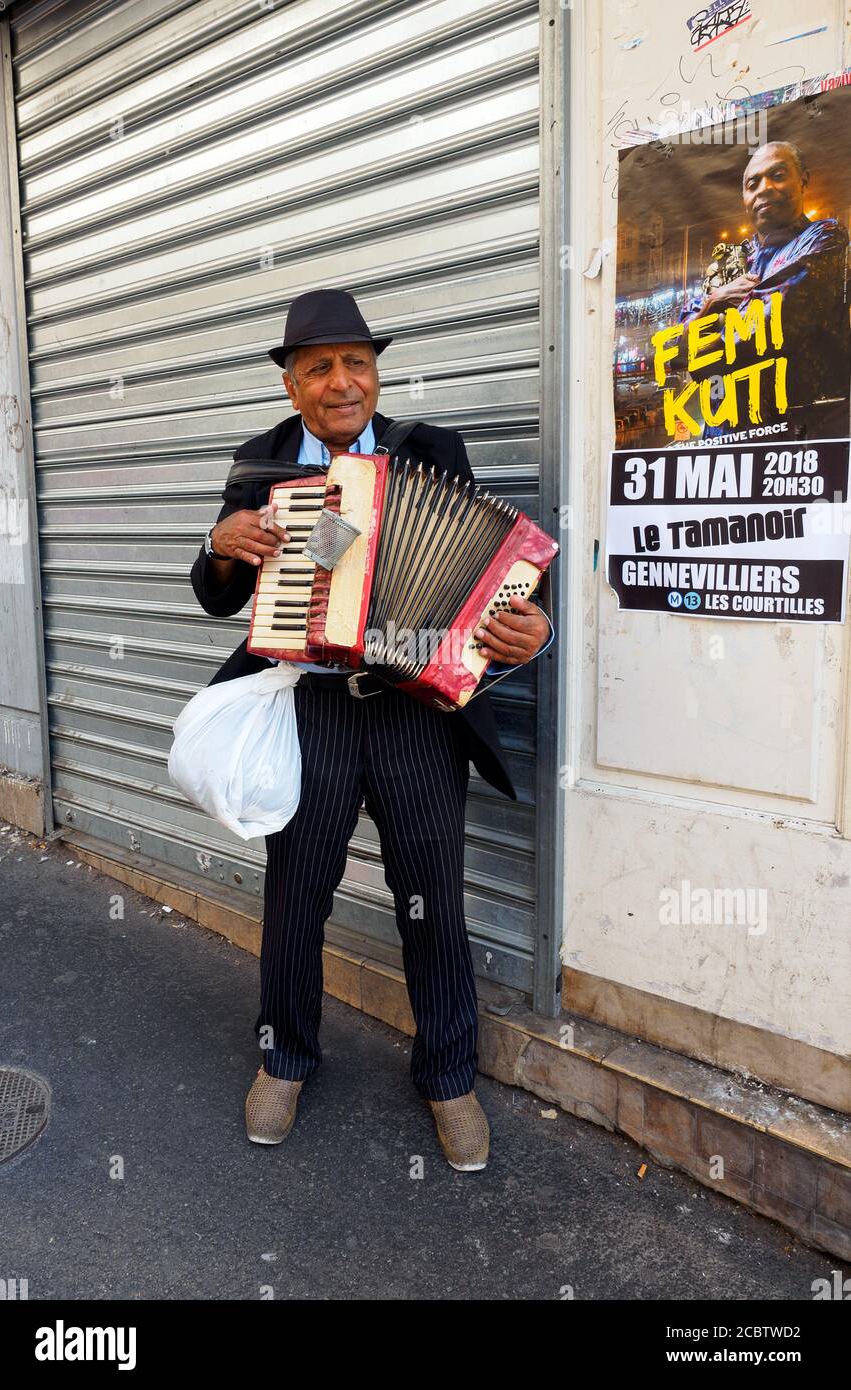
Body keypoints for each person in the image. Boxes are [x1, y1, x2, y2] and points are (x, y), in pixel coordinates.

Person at [190, 289, 552, 1171]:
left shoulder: (431, 452)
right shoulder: (257, 466)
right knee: (295, 897)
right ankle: (285, 1056)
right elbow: (216, 594)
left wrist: (530, 628)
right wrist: (219, 542)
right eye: (319, 368)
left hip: (415, 713)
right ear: (292, 386)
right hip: (307, 709)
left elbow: (492, 573)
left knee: (432, 899)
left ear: (375, 374)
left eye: (357, 363)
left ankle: (449, 1075)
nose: (342, 381)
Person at [682, 141, 850, 440]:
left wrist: (700, 342)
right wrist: (714, 302)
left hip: (795, 441)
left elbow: (763, 332)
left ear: (803, 181)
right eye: (753, 183)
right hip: (722, 442)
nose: (764, 188)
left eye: (778, 174)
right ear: (745, 197)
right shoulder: (727, 263)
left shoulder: (823, 238)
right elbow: (673, 353)